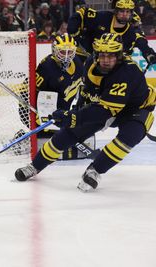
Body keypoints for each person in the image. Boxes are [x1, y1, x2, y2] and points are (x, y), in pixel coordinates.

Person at [14, 33, 155, 192]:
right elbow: (87, 93)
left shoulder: (128, 72)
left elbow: (104, 111)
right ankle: (35, 166)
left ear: (119, 55)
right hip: (104, 104)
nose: (106, 60)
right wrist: (75, 113)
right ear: (96, 54)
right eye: (102, 55)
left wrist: (74, 117)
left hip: (135, 109)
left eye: (111, 56)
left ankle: (95, 170)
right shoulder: (89, 64)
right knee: (69, 133)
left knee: (130, 136)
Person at [15, 33, 86, 160]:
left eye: (70, 52)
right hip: (34, 110)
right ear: (54, 51)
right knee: (50, 134)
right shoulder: (46, 68)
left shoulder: (78, 64)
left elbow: (80, 90)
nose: (66, 57)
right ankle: (24, 139)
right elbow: (29, 93)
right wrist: (40, 116)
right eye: (62, 52)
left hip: (60, 112)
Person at [67, 0, 156, 66]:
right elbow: (81, 13)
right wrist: (74, 33)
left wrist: (149, 53)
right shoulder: (103, 17)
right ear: (116, 12)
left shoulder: (131, 32)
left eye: (128, 11)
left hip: (105, 64)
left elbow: (141, 42)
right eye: (121, 11)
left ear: (131, 13)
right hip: (84, 55)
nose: (125, 14)